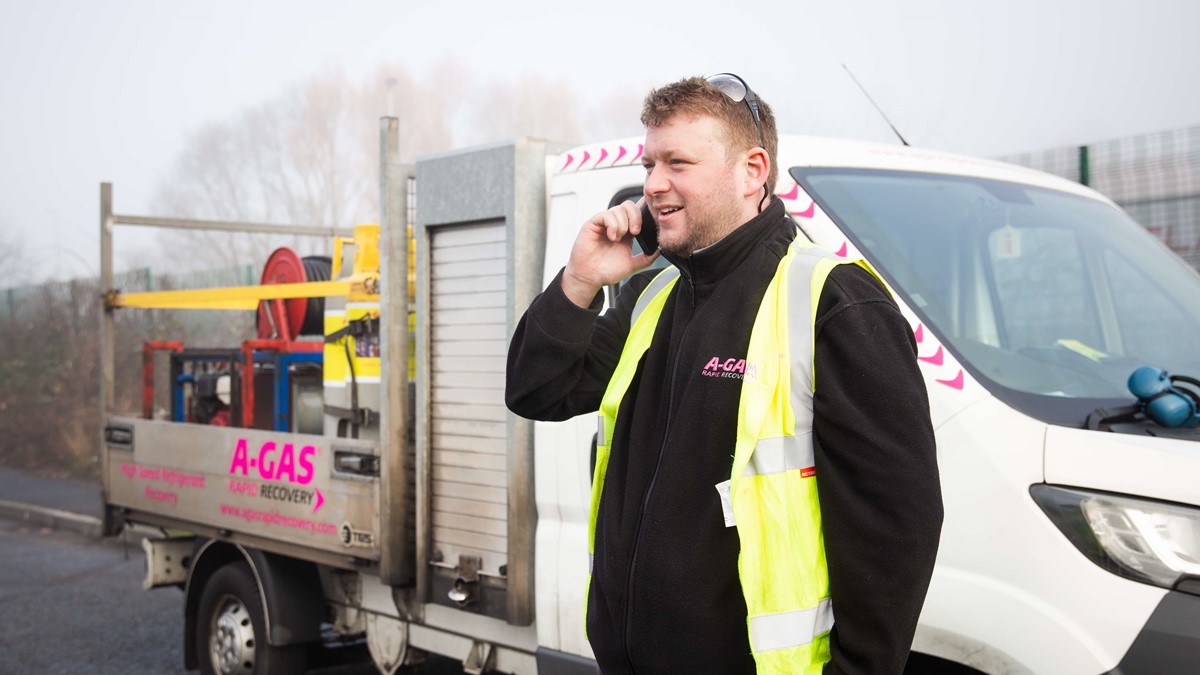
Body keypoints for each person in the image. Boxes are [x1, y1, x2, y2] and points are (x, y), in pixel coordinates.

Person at [506, 74, 943, 674]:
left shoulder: (832, 301)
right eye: (650, 162)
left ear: (752, 170)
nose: (653, 183)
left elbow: (897, 528)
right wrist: (580, 283)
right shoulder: (651, 294)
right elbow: (538, 392)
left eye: (677, 162)